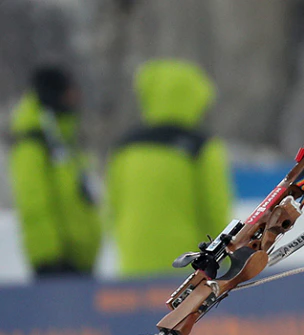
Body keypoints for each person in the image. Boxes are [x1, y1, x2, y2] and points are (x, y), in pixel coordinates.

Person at [106, 59, 233, 278]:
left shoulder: (125, 149)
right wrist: (230, 260)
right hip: (187, 270)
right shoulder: (201, 148)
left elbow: (112, 208)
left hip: (133, 269)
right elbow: (215, 211)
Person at [8, 65, 102, 277]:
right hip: (57, 265)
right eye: (69, 91)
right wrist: (47, 257)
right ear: (54, 95)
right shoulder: (33, 145)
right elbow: (33, 203)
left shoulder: (63, 140)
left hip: (79, 264)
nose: (75, 97)